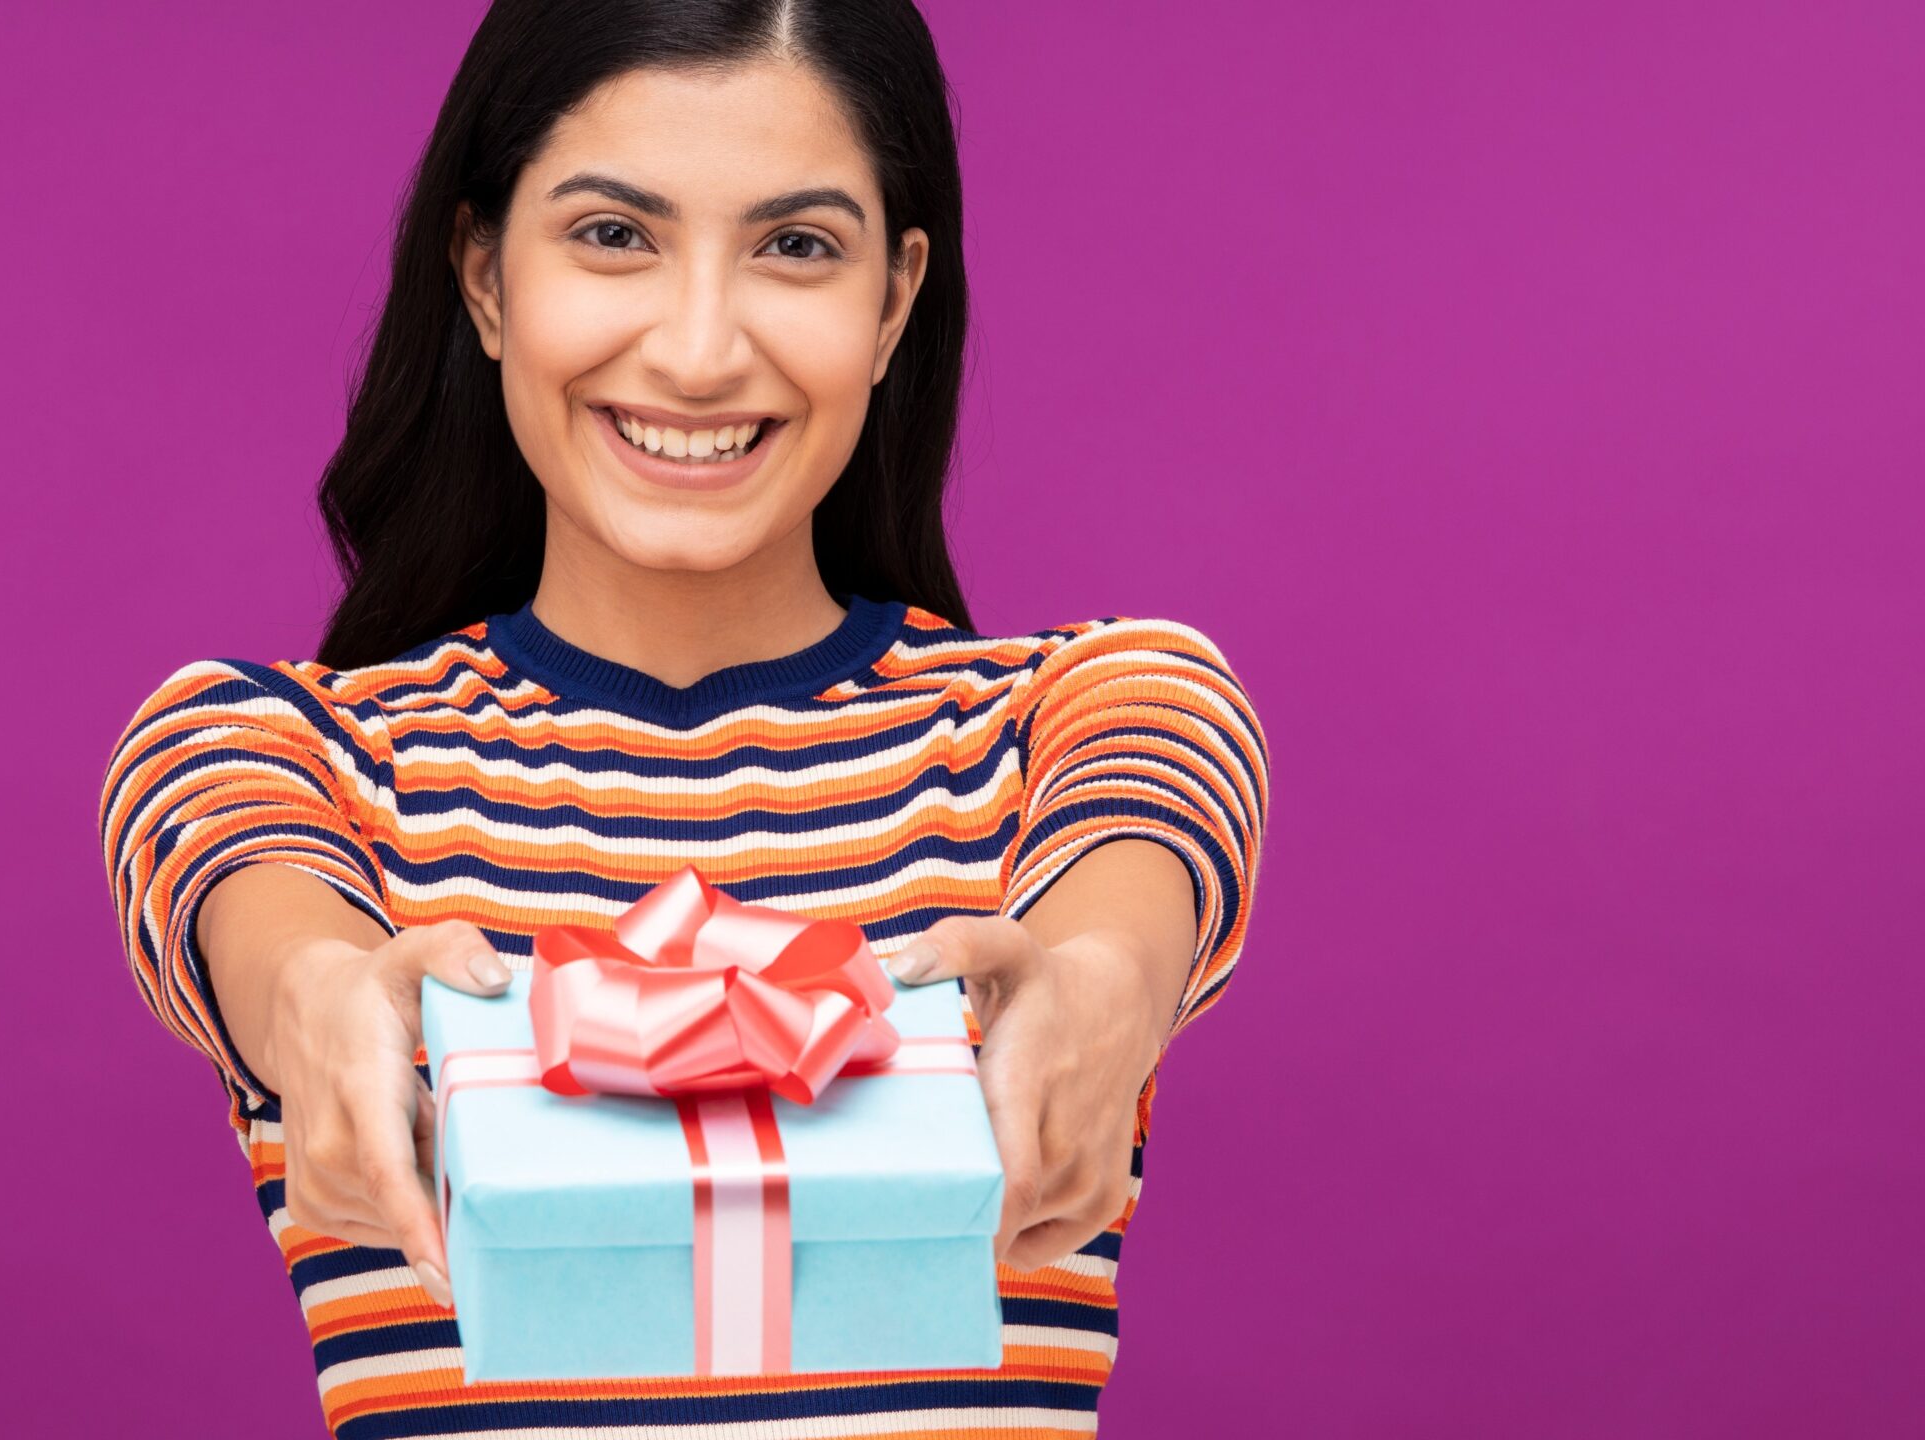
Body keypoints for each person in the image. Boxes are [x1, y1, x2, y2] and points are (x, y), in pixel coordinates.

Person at [97, 1, 1271, 1432]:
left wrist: (1101, 984)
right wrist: (317, 1004)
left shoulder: (1071, 719)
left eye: (795, 247)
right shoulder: (289, 759)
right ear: (484, 276)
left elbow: (1142, 861)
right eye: (612, 235)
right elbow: (259, 912)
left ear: (894, 302)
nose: (702, 351)